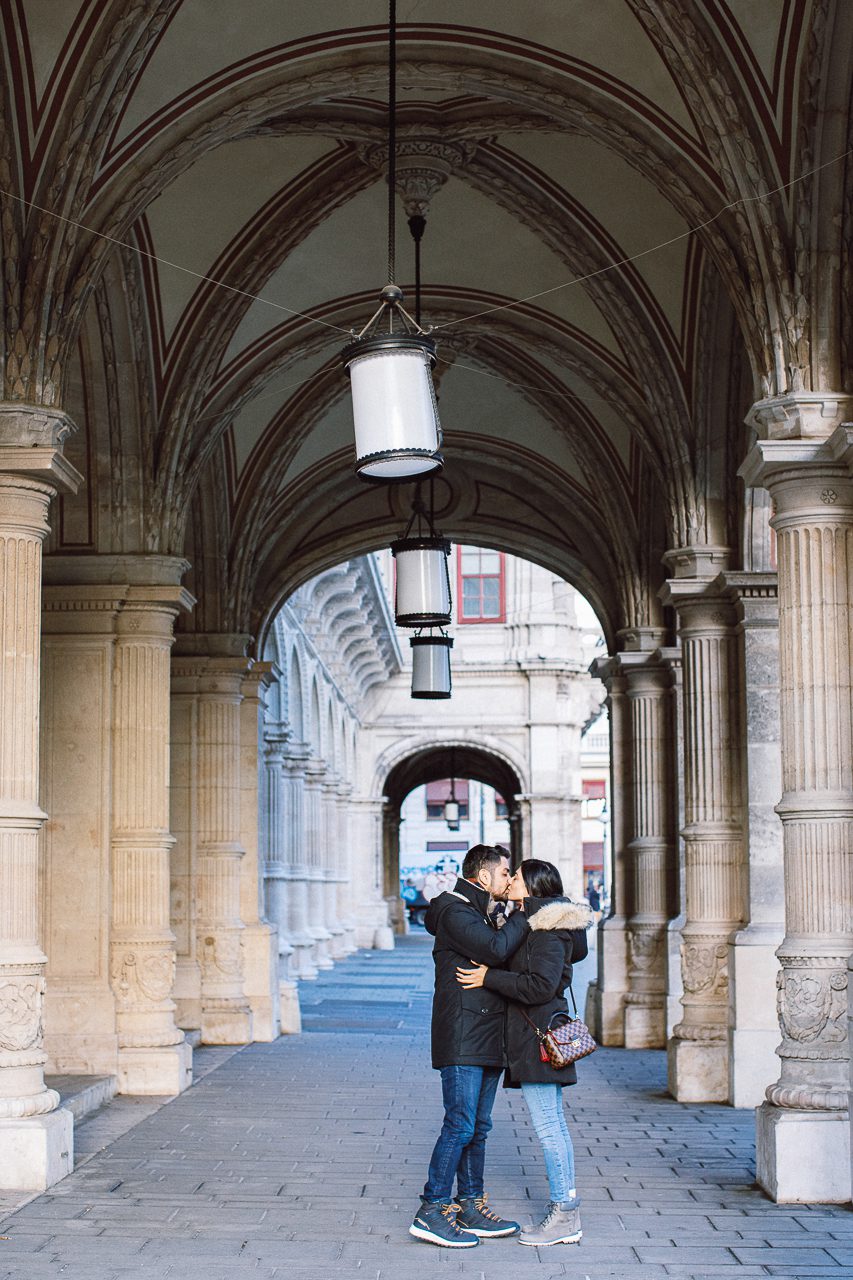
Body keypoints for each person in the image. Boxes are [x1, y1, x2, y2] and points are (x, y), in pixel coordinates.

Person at [456, 858, 592, 1247]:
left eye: (515, 876)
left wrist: (489, 977)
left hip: (541, 1043)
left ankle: (565, 1215)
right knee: (553, 1126)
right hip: (537, 1040)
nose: (510, 879)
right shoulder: (538, 924)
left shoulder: (548, 930)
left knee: (550, 1128)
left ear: (531, 885)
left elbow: (540, 987)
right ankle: (565, 1212)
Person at [410, 844, 531, 1249]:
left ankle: (470, 1204)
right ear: (483, 876)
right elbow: (495, 950)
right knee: (460, 1124)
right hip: (463, 1035)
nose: (509, 880)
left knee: (478, 1128)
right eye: (504, 873)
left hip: (487, 1035)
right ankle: (432, 1209)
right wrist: (525, 910)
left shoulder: (482, 912)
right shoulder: (455, 910)